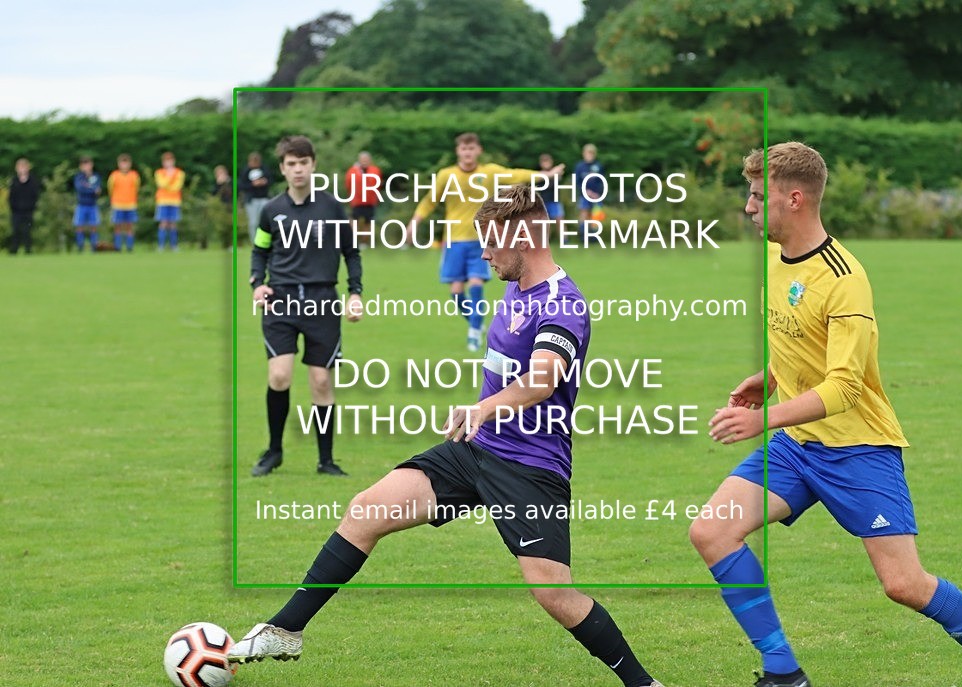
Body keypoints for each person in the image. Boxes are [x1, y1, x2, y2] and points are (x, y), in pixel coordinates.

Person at [229, 184, 664, 687]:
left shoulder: (562, 304)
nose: (483, 254)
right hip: (475, 449)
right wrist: (482, 416)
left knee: (553, 593)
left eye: (491, 242)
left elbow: (544, 379)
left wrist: (482, 408)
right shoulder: (517, 286)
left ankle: (643, 684)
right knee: (366, 509)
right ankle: (286, 629)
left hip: (529, 467)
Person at [690, 142, 962, 687]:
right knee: (712, 532)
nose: (749, 207)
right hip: (797, 446)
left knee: (904, 584)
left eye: (758, 196)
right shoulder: (772, 261)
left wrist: (764, 419)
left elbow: (845, 386)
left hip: (859, 448)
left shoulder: (844, 278)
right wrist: (769, 378)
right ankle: (784, 673)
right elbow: (799, 343)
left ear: (795, 199)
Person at [248, 135, 363, 478]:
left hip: (322, 301)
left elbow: (351, 252)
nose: (298, 169)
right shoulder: (271, 210)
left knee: (321, 382)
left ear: (313, 165)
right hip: (281, 300)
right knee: (279, 375)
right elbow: (259, 251)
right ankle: (274, 451)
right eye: (291, 164)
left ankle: (326, 460)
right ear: (282, 169)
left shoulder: (332, 208)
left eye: (303, 163)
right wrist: (257, 283)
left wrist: (354, 293)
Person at [408, 132, 562, 352]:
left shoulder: (489, 172)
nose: (468, 152)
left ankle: (474, 333)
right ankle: (476, 321)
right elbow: (429, 201)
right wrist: (414, 223)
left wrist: (545, 174)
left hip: (481, 240)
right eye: (464, 148)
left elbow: (515, 174)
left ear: (478, 151)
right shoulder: (446, 175)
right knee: (456, 291)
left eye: (471, 148)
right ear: (458, 151)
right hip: (453, 240)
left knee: (476, 284)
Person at [344, 151, 382, 248]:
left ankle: (364, 243)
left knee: (367, 223)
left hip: (370, 201)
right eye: (362, 160)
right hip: (357, 201)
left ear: (370, 160)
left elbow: (375, 184)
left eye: (366, 160)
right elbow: (348, 184)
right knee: (353, 221)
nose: (364, 162)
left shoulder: (375, 170)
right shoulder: (353, 171)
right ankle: (351, 241)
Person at [108, 153, 140, 252]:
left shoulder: (134, 175)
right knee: (118, 226)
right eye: (122, 163)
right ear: (119, 164)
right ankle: (118, 247)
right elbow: (110, 189)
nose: (124, 165)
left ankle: (129, 247)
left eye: (126, 163)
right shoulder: (114, 175)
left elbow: (137, 188)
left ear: (130, 164)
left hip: (130, 205)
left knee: (129, 226)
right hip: (118, 205)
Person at [8, 158, 41, 255]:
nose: (22, 169)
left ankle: (28, 249)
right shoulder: (14, 181)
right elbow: (11, 196)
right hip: (16, 211)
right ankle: (14, 249)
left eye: (24, 167)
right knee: (15, 230)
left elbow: (35, 195)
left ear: (28, 168)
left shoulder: (32, 181)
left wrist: (32, 206)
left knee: (27, 231)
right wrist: (13, 207)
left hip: (28, 210)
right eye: (20, 167)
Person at [239, 152, 272, 245]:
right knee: (253, 222)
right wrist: (252, 184)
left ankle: (266, 241)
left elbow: (270, 180)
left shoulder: (264, 169)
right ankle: (255, 242)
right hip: (251, 200)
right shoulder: (246, 171)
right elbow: (241, 185)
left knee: (265, 221)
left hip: (264, 198)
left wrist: (264, 182)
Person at [154, 152, 184, 251]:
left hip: (175, 201)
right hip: (162, 201)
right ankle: (161, 246)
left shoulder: (179, 173)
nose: (168, 163)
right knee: (163, 222)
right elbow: (161, 184)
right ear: (163, 162)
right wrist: (169, 176)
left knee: (173, 223)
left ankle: (174, 246)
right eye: (166, 161)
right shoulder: (159, 172)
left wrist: (168, 183)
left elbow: (177, 186)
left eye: (170, 161)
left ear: (173, 161)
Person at [573, 143, 606, 231]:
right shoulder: (579, 166)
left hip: (596, 196)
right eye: (587, 153)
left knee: (596, 215)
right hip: (584, 195)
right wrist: (586, 191)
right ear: (583, 153)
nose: (589, 155)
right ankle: (583, 233)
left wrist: (597, 194)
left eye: (591, 153)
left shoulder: (598, 166)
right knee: (584, 213)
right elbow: (577, 182)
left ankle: (594, 234)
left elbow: (602, 181)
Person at [72, 156, 101, 252]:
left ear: (91, 165)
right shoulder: (79, 177)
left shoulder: (96, 176)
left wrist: (89, 189)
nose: (86, 167)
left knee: (94, 226)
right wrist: (92, 190)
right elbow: (80, 189)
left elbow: (98, 190)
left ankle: (94, 246)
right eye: (84, 165)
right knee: (79, 225)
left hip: (93, 205)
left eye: (88, 164)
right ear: (81, 166)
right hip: (81, 205)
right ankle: (80, 246)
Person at [537, 152, 566, 239]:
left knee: (560, 220)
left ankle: (565, 240)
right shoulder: (540, 175)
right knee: (545, 222)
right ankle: (545, 241)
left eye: (547, 161)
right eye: (544, 162)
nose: (546, 163)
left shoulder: (556, 174)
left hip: (555, 201)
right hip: (544, 201)